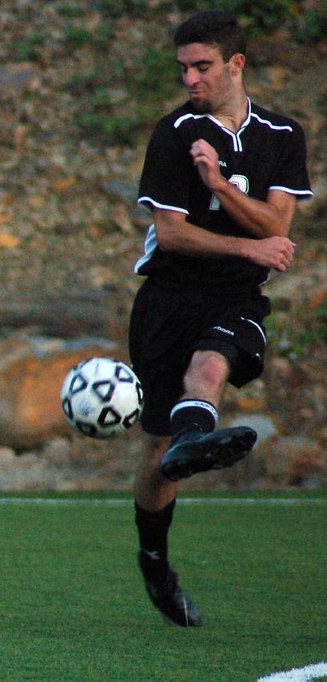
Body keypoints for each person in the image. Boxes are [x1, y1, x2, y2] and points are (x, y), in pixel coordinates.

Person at [129, 10, 312, 627]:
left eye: (202, 66)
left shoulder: (282, 136)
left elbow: (277, 227)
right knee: (156, 454)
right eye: (183, 68)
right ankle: (155, 559)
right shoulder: (174, 132)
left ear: (235, 64)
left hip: (235, 297)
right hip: (168, 299)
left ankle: (191, 442)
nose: (191, 78)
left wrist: (219, 183)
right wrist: (247, 242)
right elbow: (171, 234)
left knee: (211, 363)